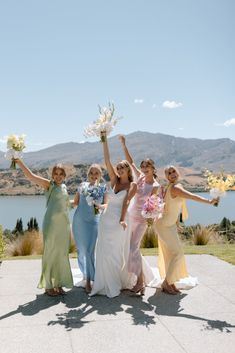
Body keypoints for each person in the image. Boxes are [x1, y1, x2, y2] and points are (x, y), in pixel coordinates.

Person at [155, 165, 219, 294]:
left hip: (169, 225)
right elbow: (192, 196)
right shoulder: (175, 187)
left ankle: (171, 282)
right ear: (167, 177)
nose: (172, 174)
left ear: (178, 172)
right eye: (169, 173)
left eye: (174, 171)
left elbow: (172, 206)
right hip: (164, 226)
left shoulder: (173, 187)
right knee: (177, 254)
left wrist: (177, 222)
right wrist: (209, 201)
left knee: (173, 254)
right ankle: (166, 283)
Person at [14, 159, 73, 296]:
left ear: (65, 176)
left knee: (61, 254)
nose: (58, 176)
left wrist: (79, 200)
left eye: (61, 174)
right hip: (51, 225)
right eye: (56, 173)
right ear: (52, 175)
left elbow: (65, 204)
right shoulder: (49, 185)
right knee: (51, 254)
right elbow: (31, 176)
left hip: (63, 226)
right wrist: (20, 162)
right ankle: (48, 286)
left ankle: (58, 284)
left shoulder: (64, 188)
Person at [90, 131, 137, 298]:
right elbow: (107, 160)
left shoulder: (132, 185)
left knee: (115, 252)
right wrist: (104, 140)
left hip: (119, 221)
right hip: (106, 219)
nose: (119, 169)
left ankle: (114, 282)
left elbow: (126, 202)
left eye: (123, 167)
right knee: (103, 250)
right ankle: (102, 284)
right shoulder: (114, 180)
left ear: (128, 170)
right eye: (118, 168)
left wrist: (123, 219)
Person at [119, 135, 159, 295]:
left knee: (133, 248)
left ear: (153, 168)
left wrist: (151, 218)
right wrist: (124, 145)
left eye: (147, 166)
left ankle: (140, 282)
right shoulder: (140, 178)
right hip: (130, 216)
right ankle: (137, 280)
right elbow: (130, 162)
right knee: (129, 249)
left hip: (142, 220)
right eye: (143, 166)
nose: (144, 168)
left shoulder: (155, 185)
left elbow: (154, 205)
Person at [72, 164, 108, 293]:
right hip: (79, 221)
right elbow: (75, 202)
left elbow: (106, 204)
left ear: (100, 175)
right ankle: (84, 273)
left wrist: (99, 205)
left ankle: (89, 280)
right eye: (91, 172)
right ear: (88, 174)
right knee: (81, 251)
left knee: (89, 251)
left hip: (94, 222)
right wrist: (61, 201)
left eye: (96, 173)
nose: (94, 175)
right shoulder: (82, 186)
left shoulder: (103, 188)